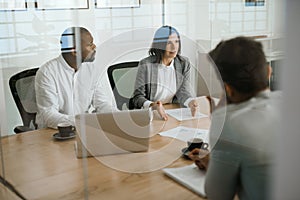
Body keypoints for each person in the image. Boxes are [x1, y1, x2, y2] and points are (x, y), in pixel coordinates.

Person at [189, 36, 281, 200]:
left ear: (228, 89)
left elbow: (218, 195)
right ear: (269, 72)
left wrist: (220, 116)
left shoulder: (230, 123)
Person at [35, 26, 117, 129]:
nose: (94, 47)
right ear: (74, 51)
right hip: (53, 132)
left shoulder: (93, 69)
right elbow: (49, 115)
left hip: (84, 130)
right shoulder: (47, 73)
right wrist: (84, 122)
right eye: (90, 44)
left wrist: (119, 117)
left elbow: (102, 104)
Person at [130, 25, 198, 120]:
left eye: (176, 41)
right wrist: (153, 105)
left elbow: (183, 92)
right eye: (169, 43)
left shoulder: (184, 63)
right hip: (151, 113)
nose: (174, 47)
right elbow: (137, 97)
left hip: (172, 111)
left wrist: (190, 101)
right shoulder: (146, 65)